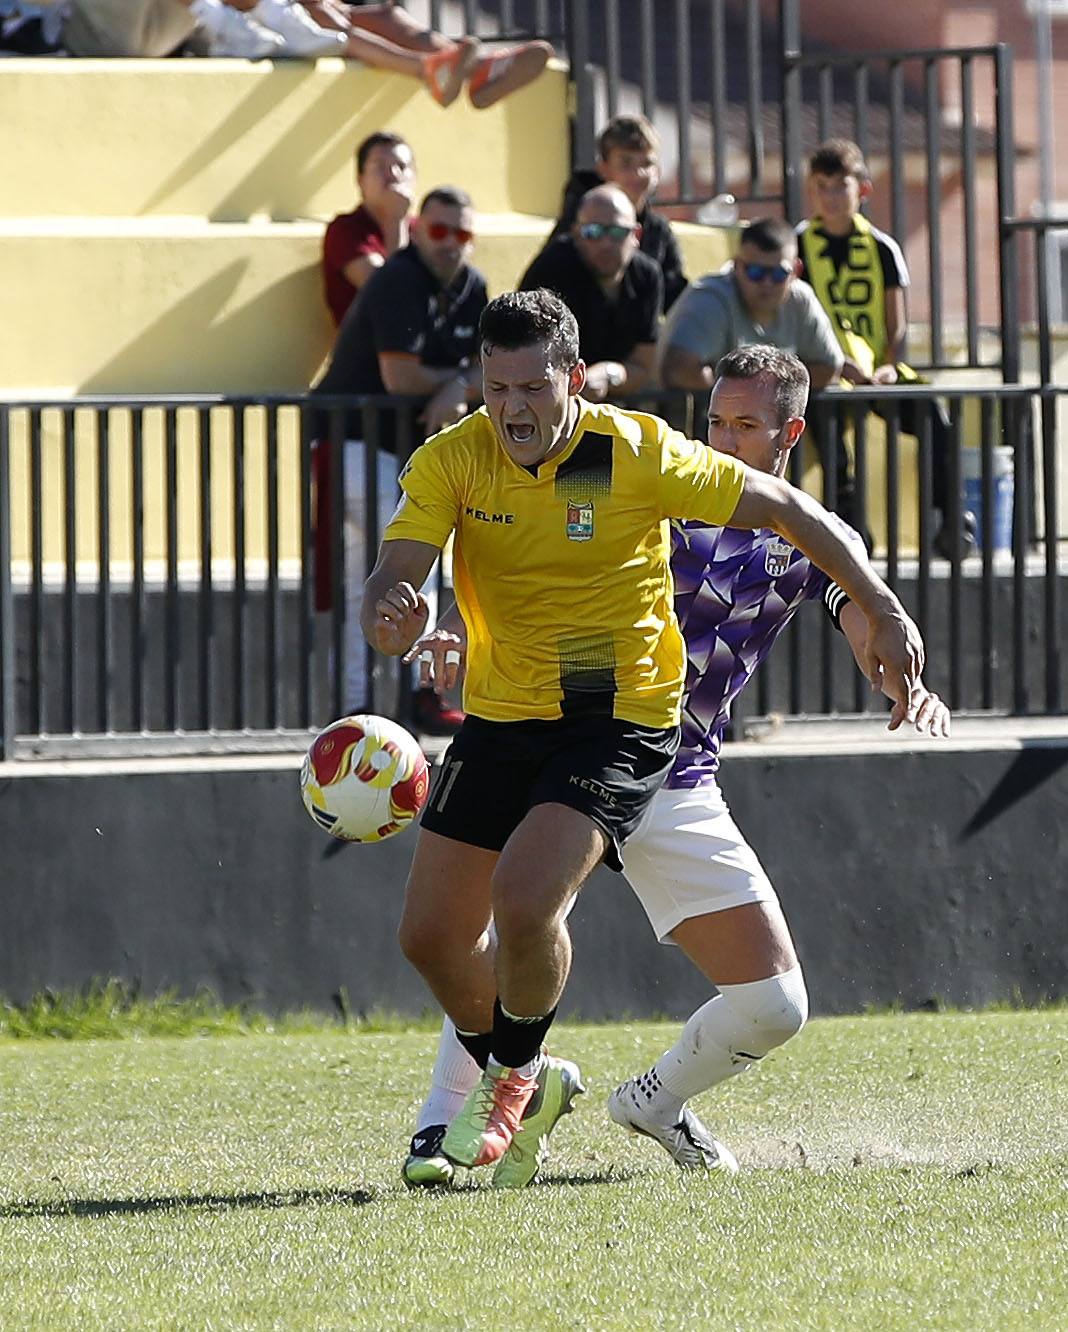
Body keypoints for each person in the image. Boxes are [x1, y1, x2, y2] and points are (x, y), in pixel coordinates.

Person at [360, 290, 926, 1187]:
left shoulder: (640, 462)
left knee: (553, 910)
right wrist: (407, 615)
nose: (511, 407)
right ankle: (512, 1085)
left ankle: (569, 1095)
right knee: (437, 932)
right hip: (524, 717)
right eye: (494, 386)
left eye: (531, 388)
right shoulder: (461, 461)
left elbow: (820, 557)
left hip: (641, 737)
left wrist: (889, 632)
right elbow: (426, 571)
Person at [313, 186, 487, 730]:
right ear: (417, 230)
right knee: (389, 569)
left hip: (409, 456)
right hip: (355, 442)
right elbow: (400, 377)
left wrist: (459, 384)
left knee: (404, 571)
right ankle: (370, 703)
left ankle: (412, 697)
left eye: (461, 234)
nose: (449, 243)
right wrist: (457, 385)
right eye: (438, 230)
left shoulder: (472, 286)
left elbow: (492, 366)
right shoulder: (397, 279)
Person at [797, 138, 976, 559]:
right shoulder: (799, 246)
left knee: (932, 414)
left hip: (876, 370)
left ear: (863, 190)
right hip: (821, 371)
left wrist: (890, 367)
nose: (831, 196)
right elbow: (794, 315)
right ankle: (849, 520)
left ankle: (951, 518)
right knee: (821, 414)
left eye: (840, 186)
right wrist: (834, 364)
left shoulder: (882, 248)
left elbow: (896, 323)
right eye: (822, 186)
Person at [63, 0, 552, 110]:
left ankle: (476, 67)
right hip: (116, 36)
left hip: (190, 24)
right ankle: (433, 69)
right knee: (319, 19)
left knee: (372, 13)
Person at [519, 184, 661, 401]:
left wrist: (608, 373)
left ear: (636, 234)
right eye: (592, 232)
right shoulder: (551, 269)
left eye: (617, 232)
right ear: (576, 233)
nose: (605, 243)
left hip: (614, 404)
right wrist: (577, 381)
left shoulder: (647, 276)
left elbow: (642, 366)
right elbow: (524, 358)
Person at [546, 114, 687, 312]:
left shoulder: (657, 230)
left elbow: (675, 298)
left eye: (647, 163)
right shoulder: (575, 224)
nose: (639, 173)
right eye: (626, 163)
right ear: (603, 169)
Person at [322, 130, 416, 329]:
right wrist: (396, 220)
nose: (393, 175)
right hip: (369, 354)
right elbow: (391, 297)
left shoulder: (424, 229)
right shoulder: (345, 230)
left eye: (402, 166)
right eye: (380, 167)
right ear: (360, 179)